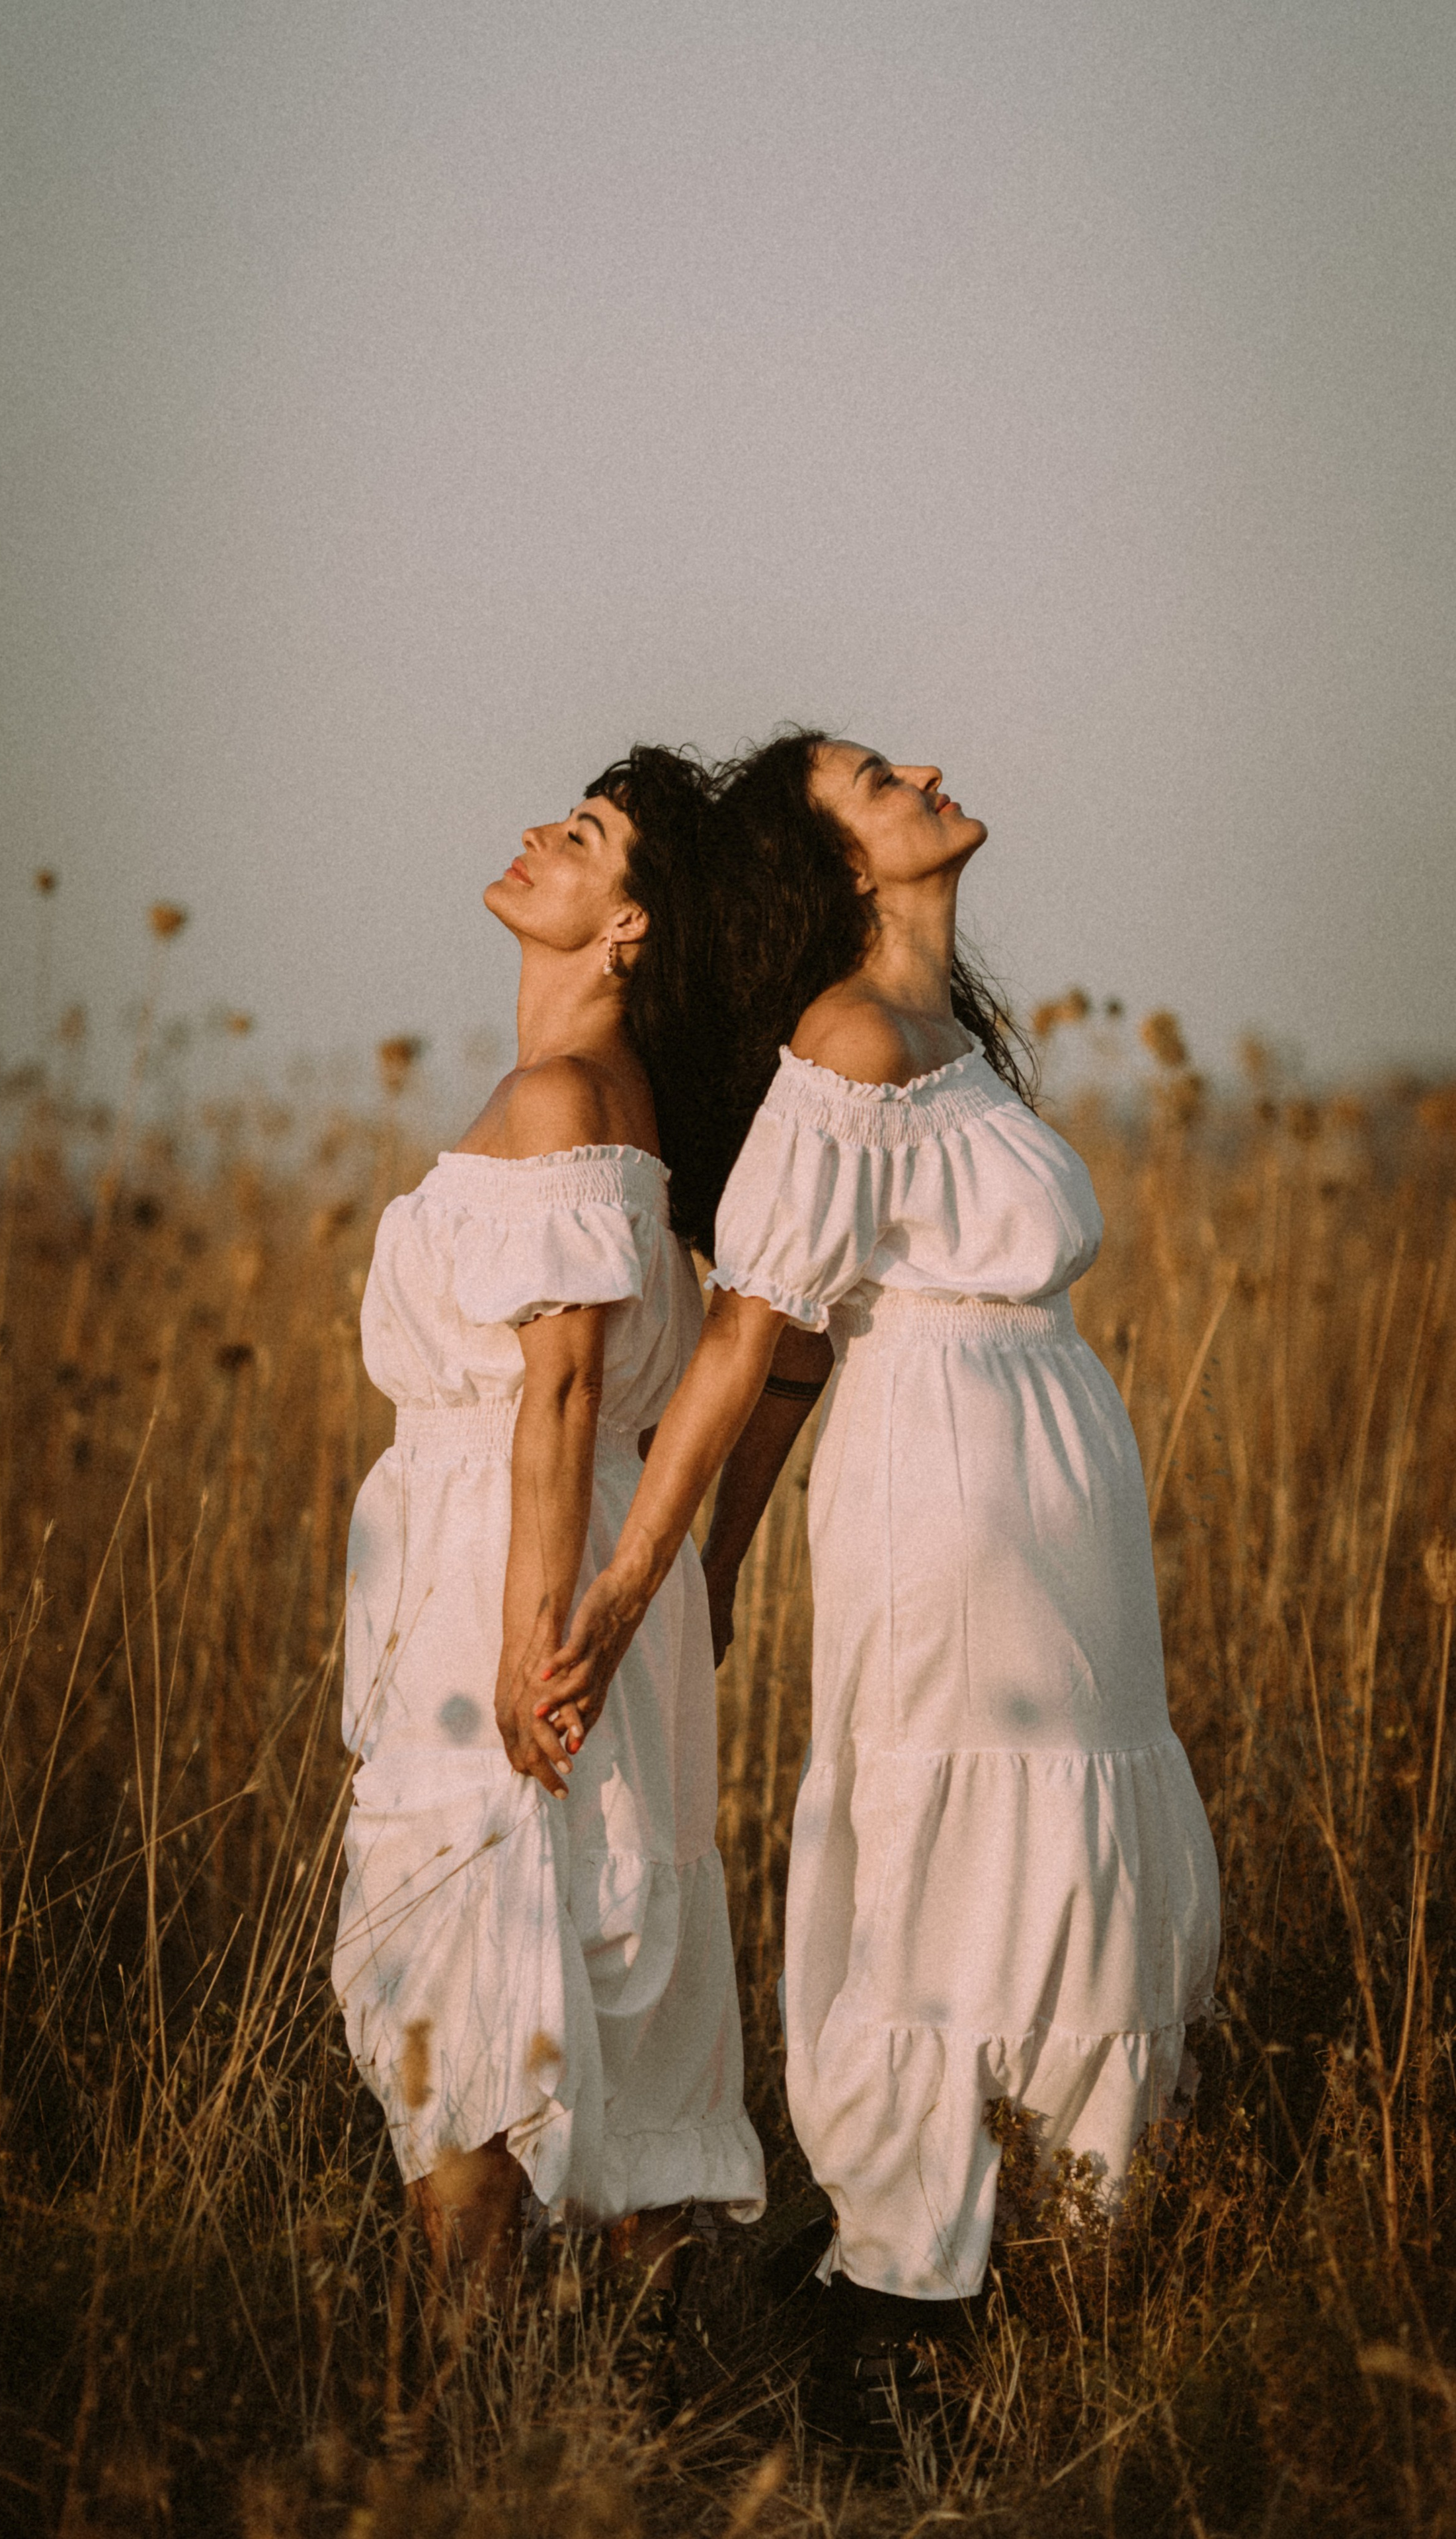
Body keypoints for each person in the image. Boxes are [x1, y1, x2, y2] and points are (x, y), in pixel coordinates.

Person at [538, 730, 1220, 2440]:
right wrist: (644, 1588)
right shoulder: (844, 1044)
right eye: (873, 778)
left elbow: (775, 1364)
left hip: (1052, 1476)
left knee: (1071, 1825)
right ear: (843, 866)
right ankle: (896, 2303)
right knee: (954, 1836)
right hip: (951, 1488)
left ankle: (1035, 2243)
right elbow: (756, 1338)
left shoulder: (952, 1042)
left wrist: (704, 1574)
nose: (924, 768)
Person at [331, 748, 764, 2298]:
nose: (531, 834)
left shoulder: (563, 1098)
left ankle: (460, 2380)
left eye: (578, 836)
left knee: (473, 1915)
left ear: (629, 924)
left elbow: (562, 1396)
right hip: (544, 1544)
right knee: (582, 1919)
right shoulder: (603, 1101)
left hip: (509, 1564)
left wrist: (531, 1645)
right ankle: (640, 2369)